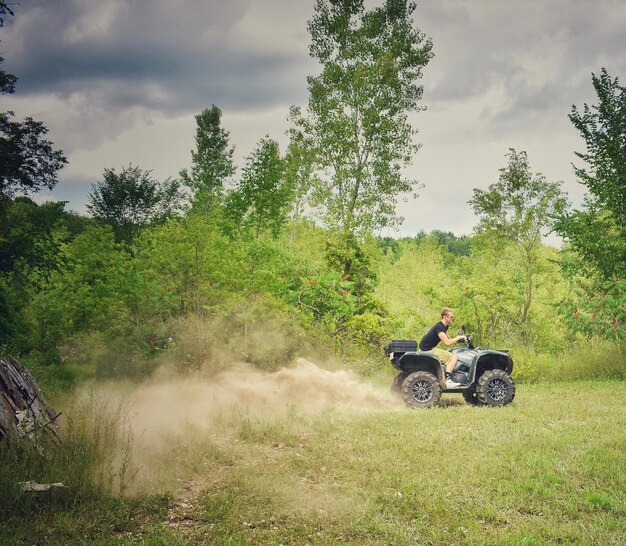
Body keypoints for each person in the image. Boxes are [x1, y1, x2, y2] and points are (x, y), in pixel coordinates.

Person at [419, 307, 466, 388]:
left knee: (449, 356)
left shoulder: (445, 326)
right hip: (428, 350)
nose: (452, 318)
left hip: (427, 348)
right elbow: (447, 343)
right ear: (445, 317)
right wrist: (458, 337)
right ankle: (448, 380)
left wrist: (459, 340)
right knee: (453, 357)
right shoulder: (439, 327)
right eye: (451, 317)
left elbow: (449, 339)